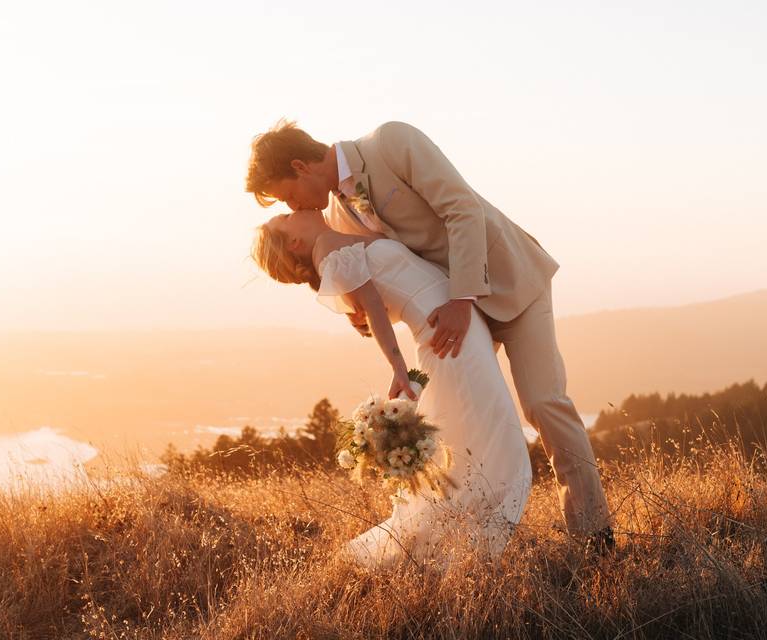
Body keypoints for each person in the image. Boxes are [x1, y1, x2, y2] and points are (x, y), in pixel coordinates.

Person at [246, 120, 613, 549]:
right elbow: (394, 275)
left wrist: (461, 299)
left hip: (509, 283)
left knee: (542, 403)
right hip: (452, 318)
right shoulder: (333, 217)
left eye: (288, 196)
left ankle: (594, 534)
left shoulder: (391, 142)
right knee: (459, 423)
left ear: (299, 166)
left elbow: (462, 209)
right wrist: (363, 315)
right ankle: (466, 537)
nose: (296, 207)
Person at [252, 209, 533, 569]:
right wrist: (399, 368)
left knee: (485, 441)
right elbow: (374, 308)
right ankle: (461, 559)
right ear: (294, 242)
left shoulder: (341, 234)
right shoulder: (329, 256)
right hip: (444, 338)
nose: (291, 212)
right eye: (284, 219)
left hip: (456, 325)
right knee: (496, 442)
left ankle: (464, 554)